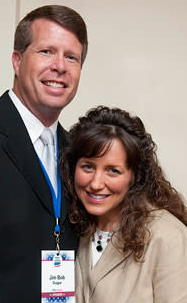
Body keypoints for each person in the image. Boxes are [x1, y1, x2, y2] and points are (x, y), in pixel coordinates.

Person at [0, 5, 88, 303]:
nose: (60, 66)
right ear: (17, 60)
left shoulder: (80, 154)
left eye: (71, 57)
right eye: (47, 52)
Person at [61, 106, 187, 303]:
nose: (95, 183)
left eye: (113, 171)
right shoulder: (77, 225)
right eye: (88, 166)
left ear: (134, 176)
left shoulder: (167, 237)